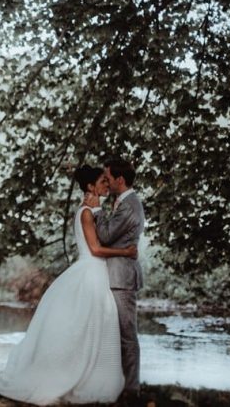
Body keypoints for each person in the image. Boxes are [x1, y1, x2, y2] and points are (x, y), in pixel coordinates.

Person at [0, 165, 136, 405]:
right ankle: (74, 378)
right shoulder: (86, 212)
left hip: (96, 273)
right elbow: (96, 249)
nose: (107, 185)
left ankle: (97, 378)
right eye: (102, 182)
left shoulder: (93, 210)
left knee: (98, 325)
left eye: (107, 182)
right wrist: (126, 251)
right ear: (90, 186)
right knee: (87, 325)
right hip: (90, 272)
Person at [84, 158, 145, 398]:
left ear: (120, 179)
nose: (106, 182)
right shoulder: (124, 202)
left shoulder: (129, 205)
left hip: (122, 278)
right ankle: (118, 385)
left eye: (108, 178)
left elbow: (107, 235)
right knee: (115, 334)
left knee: (127, 334)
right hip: (113, 276)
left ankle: (131, 390)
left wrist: (96, 209)